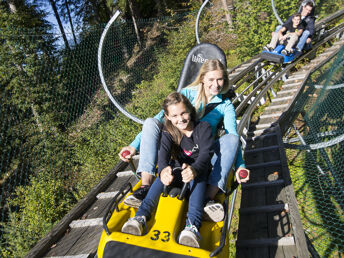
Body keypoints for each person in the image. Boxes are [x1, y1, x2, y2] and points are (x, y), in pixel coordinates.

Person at [119, 59, 250, 222]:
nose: (216, 84)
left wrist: (240, 165)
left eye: (220, 79)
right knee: (150, 122)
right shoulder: (187, 94)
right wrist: (134, 146)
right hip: (178, 150)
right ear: (202, 78)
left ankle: (208, 197)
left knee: (231, 138)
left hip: (202, 154)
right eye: (211, 79)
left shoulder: (225, 105)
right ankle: (146, 185)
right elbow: (158, 120)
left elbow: (233, 137)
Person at [121, 92, 214, 248]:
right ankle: (141, 217)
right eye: (175, 115)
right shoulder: (168, 131)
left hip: (197, 172)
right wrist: (163, 170)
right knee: (165, 172)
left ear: (190, 111)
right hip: (177, 170)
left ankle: (192, 225)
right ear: (168, 116)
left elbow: (206, 153)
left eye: (183, 113)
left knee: (198, 178)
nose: (181, 119)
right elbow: (163, 154)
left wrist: (195, 169)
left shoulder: (203, 128)